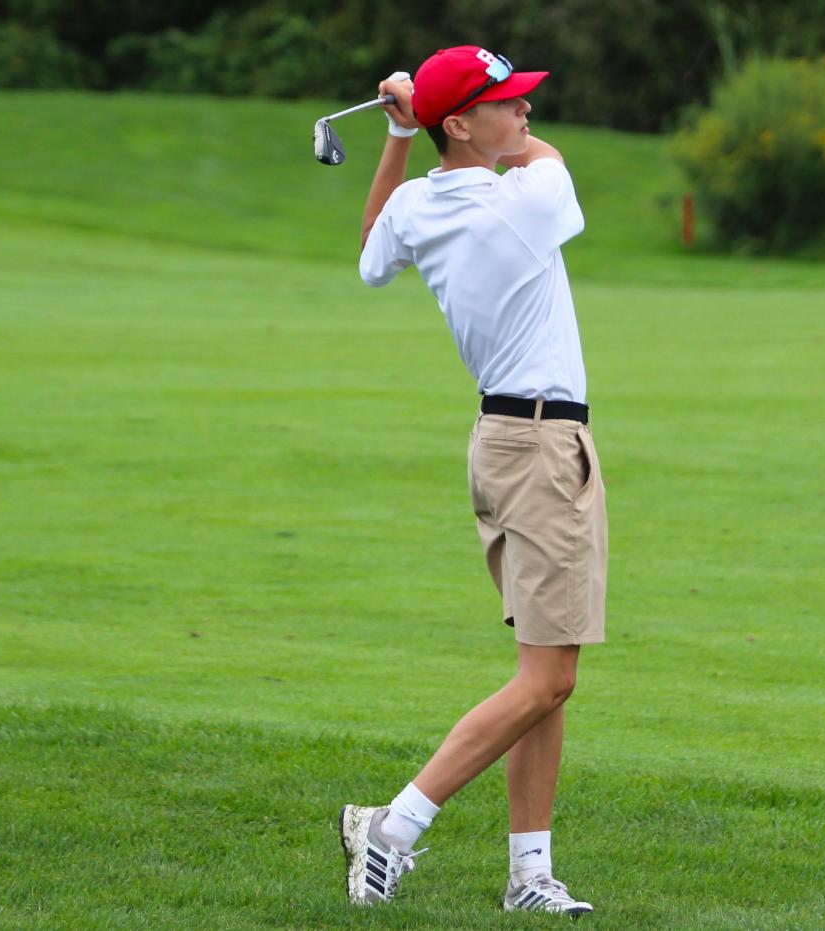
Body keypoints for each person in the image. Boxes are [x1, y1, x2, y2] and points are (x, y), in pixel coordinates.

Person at [339, 45, 607, 917]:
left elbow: (373, 254)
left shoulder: (422, 201)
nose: (525, 115)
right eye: (507, 103)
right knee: (547, 679)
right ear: (461, 124)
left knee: (548, 665)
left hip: (502, 441)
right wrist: (423, 119)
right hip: (540, 446)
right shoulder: (523, 200)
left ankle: (530, 873)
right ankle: (395, 823)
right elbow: (546, 160)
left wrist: (397, 131)